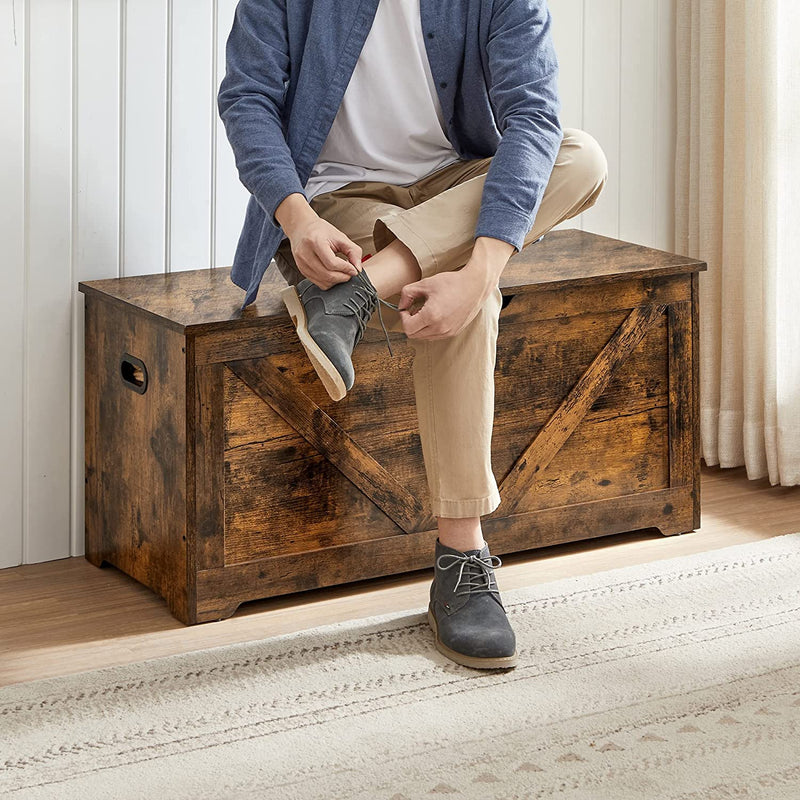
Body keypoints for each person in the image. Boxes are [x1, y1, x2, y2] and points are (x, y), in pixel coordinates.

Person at [218, 0, 607, 671]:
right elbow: (247, 98)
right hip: (340, 210)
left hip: (450, 191)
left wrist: (483, 270)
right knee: (454, 270)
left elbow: (533, 118)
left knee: (581, 156)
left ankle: (358, 293)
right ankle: (463, 556)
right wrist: (296, 218)